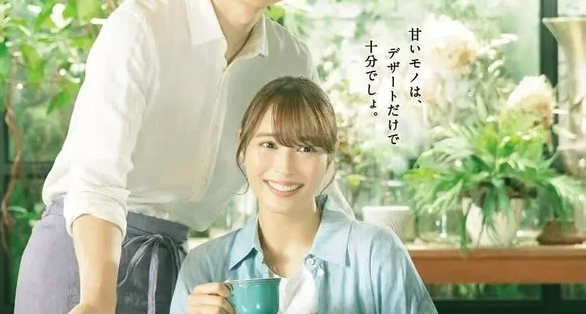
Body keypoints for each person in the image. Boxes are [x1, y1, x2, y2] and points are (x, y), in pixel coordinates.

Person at [13, 0, 354, 314]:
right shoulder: (143, 25)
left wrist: (371, 257)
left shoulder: (289, 60)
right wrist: (96, 300)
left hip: (175, 269)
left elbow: (318, 182)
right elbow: (97, 178)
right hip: (81, 256)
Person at [170, 76, 438, 314]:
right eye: (269, 144)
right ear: (242, 145)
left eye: (306, 148)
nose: (284, 167)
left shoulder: (375, 252)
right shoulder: (205, 266)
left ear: (329, 157)